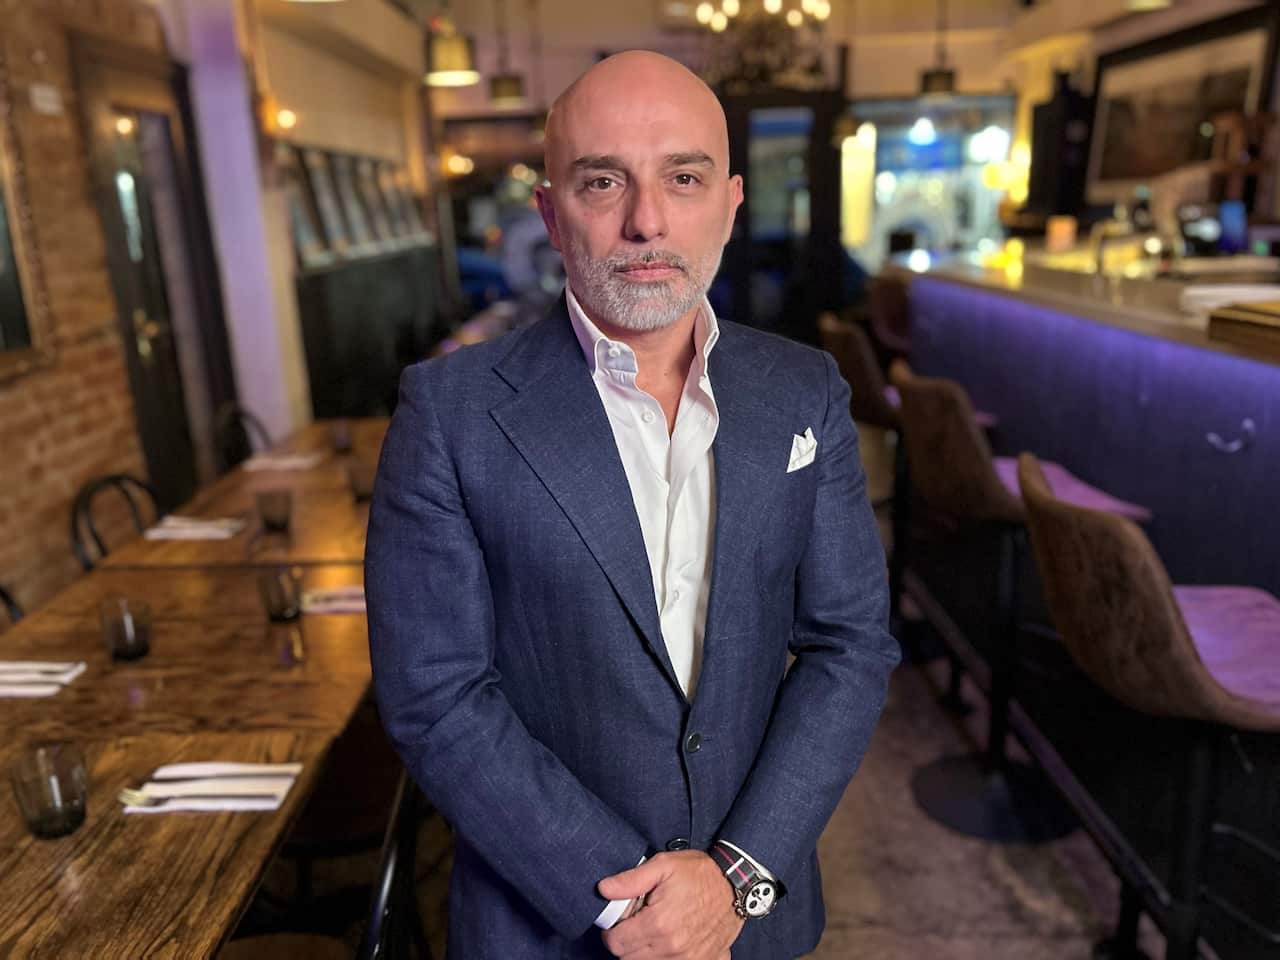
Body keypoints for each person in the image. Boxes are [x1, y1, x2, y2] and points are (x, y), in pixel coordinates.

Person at [365, 50, 899, 959]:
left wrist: (734, 875)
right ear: (548, 212)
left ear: (730, 204)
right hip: (551, 923)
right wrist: (629, 901)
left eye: (682, 178)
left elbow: (850, 645)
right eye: (603, 180)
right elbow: (436, 696)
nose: (646, 221)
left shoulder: (804, 389)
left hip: (754, 919)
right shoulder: (449, 412)